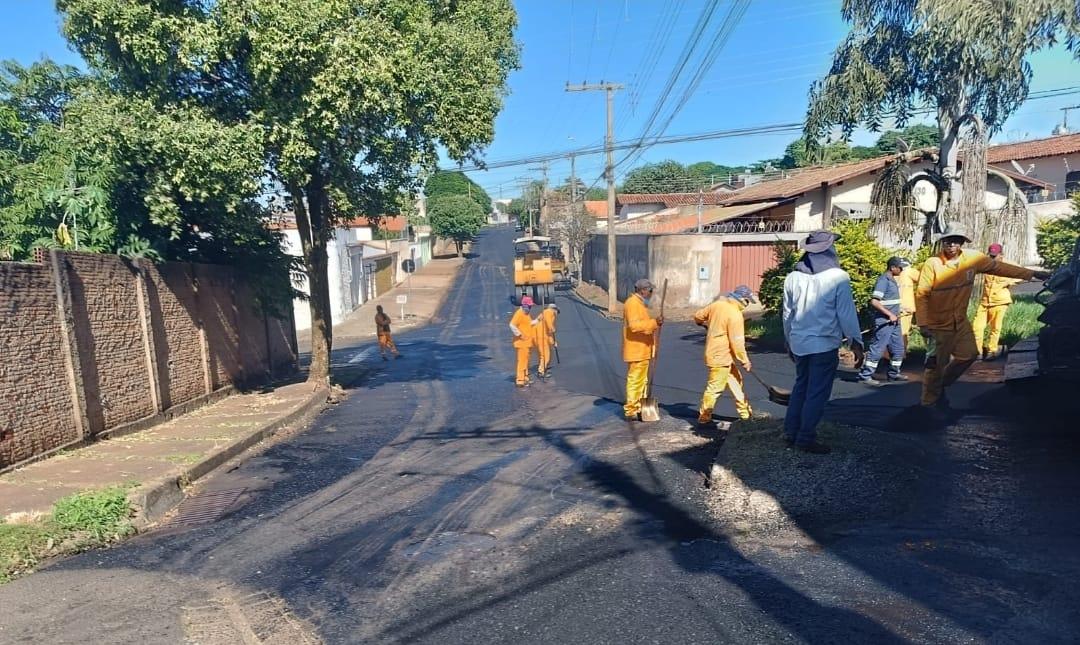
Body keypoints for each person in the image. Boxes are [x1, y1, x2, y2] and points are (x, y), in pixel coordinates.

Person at [915, 225, 1050, 408]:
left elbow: (1000, 268)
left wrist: (1032, 273)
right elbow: (922, 295)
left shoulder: (973, 259)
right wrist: (923, 324)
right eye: (948, 240)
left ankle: (940, 387)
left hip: (960, 322)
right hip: (937, 325)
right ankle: (928, 405)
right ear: (942, 242)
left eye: (956, 240)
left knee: (969, 355)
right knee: (935, 365)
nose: (951, 244)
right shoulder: (933, 264)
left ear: (962, 242)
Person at [782, 230, 864, 454]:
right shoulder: (838, 277)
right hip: (824, 344)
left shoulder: (793, 277)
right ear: (829, 250)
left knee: (801, 387)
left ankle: (791, 432)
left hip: (799, 342)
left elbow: (787, 315)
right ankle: (805, 438)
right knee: (817, 392)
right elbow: (846, 313)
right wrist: (856, 342)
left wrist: (789, 341)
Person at [693, 285, 755, 425]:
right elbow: (737, 341)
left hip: (719, 354)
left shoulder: (717, 305)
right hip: (720, 356)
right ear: (742, 299)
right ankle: (704, 418)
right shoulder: (735, 315)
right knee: (715, 387)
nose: (747, 305)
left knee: (736, 382)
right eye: (747, 301)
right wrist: (745, 360)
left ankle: (746, 415)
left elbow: (697, 316)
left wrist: (704, 323)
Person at [857, 257, 909, 386]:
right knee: (878, 348)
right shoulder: (883, 281)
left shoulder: (892, 280)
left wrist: (899, 309)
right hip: (884, 322)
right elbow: (875, 301)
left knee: (898, 349)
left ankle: (894, 373)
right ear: (892, 268)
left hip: (894, 322)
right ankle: (865, 375)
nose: (902, 270)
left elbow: (889, 301)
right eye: (900, 267)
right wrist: (890, 314)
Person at [972, 243, 1022, 361]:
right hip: (985, 301)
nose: (992, 258)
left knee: (995, 327)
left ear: (1001, 255)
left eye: (995, 256)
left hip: (1000, 301)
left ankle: (992, 351)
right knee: (976, 327)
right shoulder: (985, 264)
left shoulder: (1008, 264)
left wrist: (1010, 281)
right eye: (991, 255)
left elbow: (1021, 274)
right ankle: (977, 352)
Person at [622, 278, 663, 420]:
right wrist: (653, 322)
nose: (651, 293)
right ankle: (631, 409)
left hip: (642, 349)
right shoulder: (632, 304)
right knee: (635, 380)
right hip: (636, 350)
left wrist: (656, 323)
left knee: (641, 381)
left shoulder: (639, 304)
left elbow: (643, 323)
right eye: (650, 291)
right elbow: (634, 326)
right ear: (643, 291)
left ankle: (639, 406)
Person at [509, 295, 540, 387]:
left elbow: (529, 324)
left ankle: (525, 377)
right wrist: (519, 334)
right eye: (529, 306)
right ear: (525, 305)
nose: (530, 308)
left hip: (527, 343)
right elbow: (512, 325)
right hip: (522, 343)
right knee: (522, 361)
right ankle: (520, 380)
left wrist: (538, 320)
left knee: (526, 361)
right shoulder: (519, 313)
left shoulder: (526, 314)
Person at [896, 258, 920, 350]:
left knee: (892, 331)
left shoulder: (893, 273)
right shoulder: (909, 271)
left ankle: (887, 355)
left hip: (892, 308)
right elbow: (925, 280)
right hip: (906, 307)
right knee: (903, 331)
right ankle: (900, 354)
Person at [536, 303, 559, 377]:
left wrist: (553, 343)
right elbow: (549, 324)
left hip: (541, 336)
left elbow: (549, 334)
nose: (556, 315)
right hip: (541, 336)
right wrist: (551, 328)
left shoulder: (544, 313)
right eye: (556, 313)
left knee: (544, 354)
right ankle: (541, 371)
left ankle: (542, 368)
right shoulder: (549, 312)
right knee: (545, 355)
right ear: (554, 309)